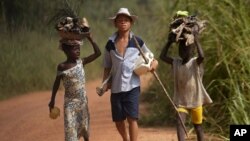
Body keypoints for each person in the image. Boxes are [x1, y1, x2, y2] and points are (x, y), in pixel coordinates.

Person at [101, 8, 158, 141]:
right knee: (118, 120)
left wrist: (153, 65)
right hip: (116, 87)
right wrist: (105, 83)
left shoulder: (137, 42)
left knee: (132, 118)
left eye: (126, 20)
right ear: (115, 24)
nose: (123, 23)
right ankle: (125, 139)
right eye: (120, 21)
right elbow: (107, 66)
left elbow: (152, 58)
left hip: (133, 85)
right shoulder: (110, 44)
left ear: (130, 23)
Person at [160, 11, 212, 141]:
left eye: (186, 48)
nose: (183, 51)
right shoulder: (176, 62)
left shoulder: (195, 62)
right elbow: (162, 57)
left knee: (198, 127)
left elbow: (202, 56)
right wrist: (169, 42)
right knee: (179, 122)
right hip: (181, 101)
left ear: (192, 50)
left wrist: (196, 38)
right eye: (181, 49)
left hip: (196, 101)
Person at [48, 33, 101, 141]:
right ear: (66, 51)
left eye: (78, 48)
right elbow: (56, 83)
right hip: (70, 104)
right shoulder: (62, 67)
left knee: (84, 128)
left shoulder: (81, 62)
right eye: (74, 49)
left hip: (82, 102)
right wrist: (52, 100)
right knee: (70, 131)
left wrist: (90, 38)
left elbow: (98, 53)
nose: (78, 51)